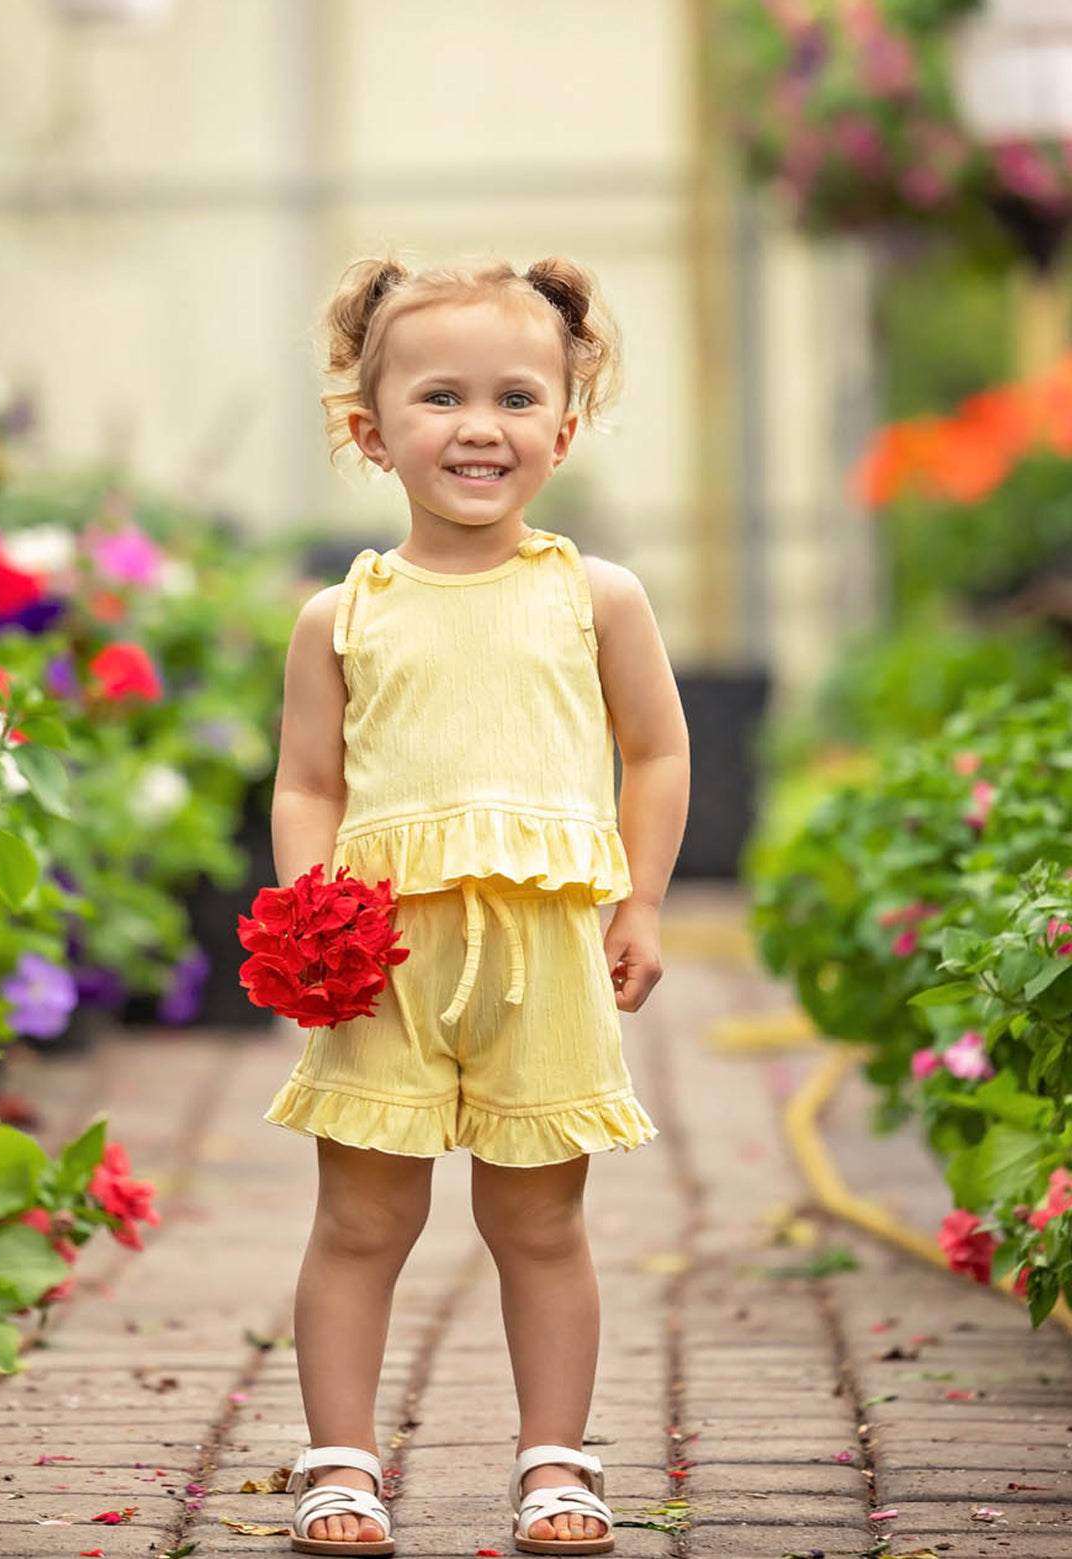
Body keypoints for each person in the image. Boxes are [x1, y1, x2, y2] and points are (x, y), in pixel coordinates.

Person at [267, 253, 690, 1556]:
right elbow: (308, 783)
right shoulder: (343, 616)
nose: (477, 426)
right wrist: (311, 911)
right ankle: (341, 1463)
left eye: (516, 398)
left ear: (562, 428)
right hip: (386, 958)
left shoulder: (595, 597)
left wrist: (644, 904)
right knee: (361, 1217)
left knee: (540, 1219)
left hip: (544, 956)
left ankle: (554, 1462)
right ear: (369, 429)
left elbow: (659, 751)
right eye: (438, 396)